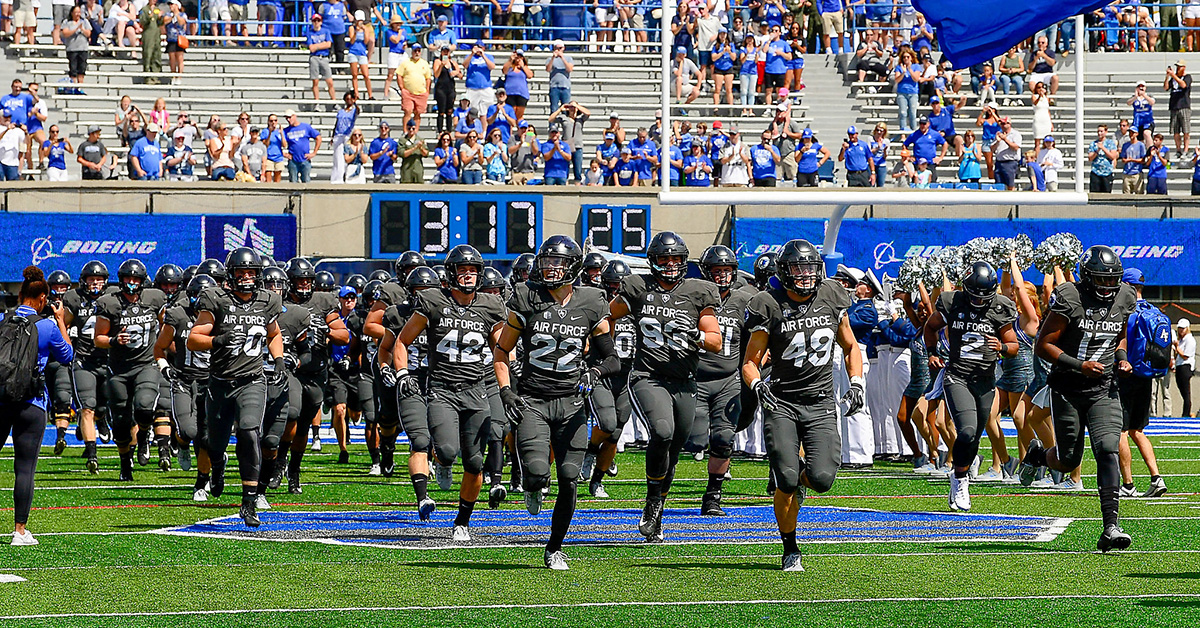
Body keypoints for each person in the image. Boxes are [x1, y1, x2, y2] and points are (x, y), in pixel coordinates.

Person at [492, 236, 614, 569]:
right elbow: (502, 350)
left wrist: (594, 372)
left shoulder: (591, 302)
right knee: (535, 473)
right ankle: (532, 486)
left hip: (571, 403)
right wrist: (505, 390)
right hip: (533, 400)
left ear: (573, 267)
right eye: (546, 262)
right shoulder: (527, 299)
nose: (550, 269)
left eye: (558, 264)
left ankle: (554, 547)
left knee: (570, 476)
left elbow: (612, 359)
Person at [742, 239, 863, 571]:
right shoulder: (769, 303)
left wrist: (856, 382)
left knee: (822, 479)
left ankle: (794, 479)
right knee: (786, 478)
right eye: (798, 268)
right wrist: (757, 384)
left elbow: (851, 346)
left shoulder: (832, 295)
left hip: (821, 401)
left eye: (811, 268)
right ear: (785, 271)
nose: (806, 275)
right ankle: (790, 546)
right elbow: (750, 361)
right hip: (782, 402)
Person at [608, 232, 722, 543]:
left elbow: (715, 340)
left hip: (684, 381)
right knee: (662, 431)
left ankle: (657, 506)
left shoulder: (699, 292)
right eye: (663, 259)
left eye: (675, 259)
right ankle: (652, 502)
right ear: (653, 261)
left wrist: (697, 337)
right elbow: (605, 317)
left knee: (674, 450)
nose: (670, 264)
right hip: (648, 375)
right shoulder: (637, 286)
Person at [389, 245, 508, 542]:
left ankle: (462, 521)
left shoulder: (491, 306)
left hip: (476, 389)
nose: (468, 276)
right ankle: (441, 464)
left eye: (473, 271)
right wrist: (402, 373)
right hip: (442, 389)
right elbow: (402, 340)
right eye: (462, 270)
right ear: (451, 273)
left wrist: (512, 371)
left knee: (475, 463)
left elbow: (503, 347)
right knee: (445, 450)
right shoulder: (433, 301)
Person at [1025, 246, 1137, 552]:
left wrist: (1123, 358)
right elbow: (1043, 344)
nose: (1106, 287)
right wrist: (1079, 366)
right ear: (1087, 278)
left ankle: (1111, 527)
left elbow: (1119, 335)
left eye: (1111, 280)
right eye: (1100, 281)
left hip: (1104, 388)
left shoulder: (1126, 296)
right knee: (1069, 460)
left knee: (1107, 449)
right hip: (1068, 388)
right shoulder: (1070, 297)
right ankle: (1038, 455)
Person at [187, 248, 285, 527]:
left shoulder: (267, 301)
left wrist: (277, 359)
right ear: (230, 275)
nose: (246, 278)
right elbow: (193, 339)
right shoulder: (216, 300)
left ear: (258, 275)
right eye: (240, 273)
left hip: (252, 380)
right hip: (220, 382)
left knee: (249, 432)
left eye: (251, 272)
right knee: (214, 443)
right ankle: (217, 466)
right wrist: (217, 341)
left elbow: (273, 333)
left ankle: (249, 501)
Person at [923, 262, 1018, 511]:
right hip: (958, 376)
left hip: (985, 381)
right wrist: (932, 352)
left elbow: (1014, 345)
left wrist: (1003, 348)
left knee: (974, 435)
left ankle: (960, 472)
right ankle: (960, 478)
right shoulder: (952, 302)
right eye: (974, 295)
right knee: (965, 431)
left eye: (983, 296)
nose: (978, 301)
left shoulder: (1000, 306)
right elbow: (930, 327)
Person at [1, 267, 74, 547]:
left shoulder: (2, 319)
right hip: (32, 402)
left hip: (1, 399)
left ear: (20, 294)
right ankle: (19, 531)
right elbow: (67, 356)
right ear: (43, 297)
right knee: (24, 468)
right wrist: (61, 321)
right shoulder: (46, 326)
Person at [1117, 268, 1169, 499]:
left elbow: (1121, 342)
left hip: (1125, 374)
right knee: (1138, 430)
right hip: (1146, 374)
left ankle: (1127, 484)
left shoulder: (1126, 311)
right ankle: (1156, 478)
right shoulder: (1154, 311)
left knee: (1120, 431)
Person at [549, 101, 590, 183]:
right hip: (566, 146)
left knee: (578, 169)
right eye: (570, 106)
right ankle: (565, 184)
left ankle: (577, 185)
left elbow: (588, 113)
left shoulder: (580, 119)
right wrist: (560, 109)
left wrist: (577, 106)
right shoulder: (564, 118)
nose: (572, 108)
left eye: (573, 107)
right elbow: (551, 119)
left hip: (578, 146)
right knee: (565, 167)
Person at [399, 43, 432, 131]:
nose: (417, 53)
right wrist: (402, 88)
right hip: (408, 92)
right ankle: (406, 131)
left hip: (421, 93)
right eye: (415, 51)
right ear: (412, 52)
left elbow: (428, 78)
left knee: (418, 113)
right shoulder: (406, 62)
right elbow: (399, 75)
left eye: (418, 51)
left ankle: (415, 132)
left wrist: (427, 90)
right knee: (408, 111)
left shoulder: (424, 63)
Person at [903, 116, 946, 182]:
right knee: (917, 183)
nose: (922, 126)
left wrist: (941, 157)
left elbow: (944, 143)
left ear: (928, 124)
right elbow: (905, 145)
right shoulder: (915, 135)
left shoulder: (934, 134)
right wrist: (908, 156)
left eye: (924, 124)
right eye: (921, 124)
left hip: (930, 163)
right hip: (918, 164)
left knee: (932, 182)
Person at [282, 109, 321, 183]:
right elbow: (280, 143)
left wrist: (314, 152)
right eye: (286, 118)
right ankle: (294, 194)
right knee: (293, 181)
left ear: (295, 116)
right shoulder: (286, 130)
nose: (288, 120)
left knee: (306, 181)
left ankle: (305, 194)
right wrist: (283, 153)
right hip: (293, 160)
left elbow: (318, 137)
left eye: (290, 117)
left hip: (305, 159)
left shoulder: (305, 127)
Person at [432, 44, 462, 135]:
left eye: (447, 51)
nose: (445, 53)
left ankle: (449, 131)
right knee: (441, 111)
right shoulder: (438, 61)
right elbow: (436, 74)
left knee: (449, 111)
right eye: (443, 51)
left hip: (450, 89)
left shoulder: (453, 62)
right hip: (441, 89)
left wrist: (456, 72)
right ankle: (440, 131)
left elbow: (460, 75)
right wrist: (441, 65)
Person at [1165, 60, 1192, 160]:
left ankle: (1185, 150)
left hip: (1184, 106)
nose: (1178, 69)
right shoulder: (1173, 78)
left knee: (1186, 131)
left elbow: (1183, 85)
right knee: (1176, 131)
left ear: (1184, 67)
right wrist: (1167, 76)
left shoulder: (1187, 77)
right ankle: (1178, 150)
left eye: (1180, 67)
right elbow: (1166, 87)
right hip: (1174, 107)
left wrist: (1174, 76)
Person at [331, 91, 360, 183]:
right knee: (337, 157)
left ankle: (345, 176)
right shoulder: (341, 111)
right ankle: (337, 178)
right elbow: (337, 124)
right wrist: (332, 136)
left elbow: (358, 111)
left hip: (347, 135)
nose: (348, 101)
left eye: (350, 99)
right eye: (347, 99)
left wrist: (355, 102)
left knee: (346, 156)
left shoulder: (354, 111)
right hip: (338, 135)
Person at [306, 14, 336, 102]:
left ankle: (334, 101)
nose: (316, 23)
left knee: (330, 81)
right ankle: (317, 101)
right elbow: (311, 48)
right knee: (315, 82)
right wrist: (322, 45)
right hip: (314, 57)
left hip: (324, 57)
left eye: (318, 21)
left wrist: (317, 46)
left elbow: (329, 44)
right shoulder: (310, 33)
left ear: (321, 22)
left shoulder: (326, 31)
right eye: (314, 21)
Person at [382, 15, 410, 101]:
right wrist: (400, 33)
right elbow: (395, 40)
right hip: (394, 54)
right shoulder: (389, 32)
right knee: (390, 74)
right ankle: (386, 94)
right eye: (396, 23)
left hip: (402, 53)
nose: (398, 25)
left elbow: (404, 41)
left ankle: (404, 92)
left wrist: (405, 45)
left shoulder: (403, 32)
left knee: (404, 74)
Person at [138, 0, 167, 84]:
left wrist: (161, 18)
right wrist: (149, 17)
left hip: (156, 35)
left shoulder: (157, 9)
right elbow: (142, 22)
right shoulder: (144, 9)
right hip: (148, 34)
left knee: (156, 54)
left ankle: (155, 75)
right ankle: (147, 76)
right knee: (148, 55)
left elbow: (160, 23)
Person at [62, 5, 92, 87]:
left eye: (79, 12)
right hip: (72, 49)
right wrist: (75, 29)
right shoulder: (66, 22)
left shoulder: (85, 21)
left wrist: (82, 29)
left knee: (82, 68)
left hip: (83, 48)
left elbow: (89, 33)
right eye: (76, 12)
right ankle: (73, 86)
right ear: (72, 13)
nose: (77, 14)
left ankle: (80, 86)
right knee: (73, 68)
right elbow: (65, 33)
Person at [347, 11, 374, 100]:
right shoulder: (352, 28)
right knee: (354, 74)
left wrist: (365, 30)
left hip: (362, 53)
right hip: (353, 52)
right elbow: (352, 41)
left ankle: (370, 94)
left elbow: (366, 41)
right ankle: (356, 94)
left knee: (366, 75)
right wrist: (356, 32)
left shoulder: (366, 28)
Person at [502, 49, 533, 121]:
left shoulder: (524, 68)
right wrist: (510, 60)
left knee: (519, 113)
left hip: (522, 93)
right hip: (510, 93)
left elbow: (530, 75)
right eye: (517, 56)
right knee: (511, 112)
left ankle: (519, 128)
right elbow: (504, 71)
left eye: (520, 56)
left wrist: (523, 66)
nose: (518, 58)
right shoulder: (510, 67)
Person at [991, 117, 1022, 190]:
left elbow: (1016, 147)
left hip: (1010, 162)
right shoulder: (998, 134)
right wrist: (998, 141)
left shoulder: (1015, 134)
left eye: (1005, 123)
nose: (1003, 125)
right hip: (999, 162)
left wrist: (1005, 139)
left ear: (1009, 124)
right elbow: (992, 149)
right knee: (998, 185)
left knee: (1010, 185)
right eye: (1002, 123)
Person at [893, 49, 921, 132]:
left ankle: (914, 131)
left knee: (912, 113)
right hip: (902, 93)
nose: (906, 59)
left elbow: (916, 79)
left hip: (913, 93)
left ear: (911, 58)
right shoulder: (899, 67)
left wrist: (910, 70)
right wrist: (903, 72)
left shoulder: (916, 66)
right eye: (904, 57)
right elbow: (897, 80)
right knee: (903, 113)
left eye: (908, 57)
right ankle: (903, 132)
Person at [1089, 124, 1119, 193]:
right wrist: (1097, 150)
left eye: (1101, 131)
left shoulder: (1110, 143)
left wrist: (1103, 148)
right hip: (1096, 172)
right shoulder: (1093, 144)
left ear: (1106, 132)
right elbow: (1090, 158)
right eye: (1098, 131)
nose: (1099, 133)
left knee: (1106, 194)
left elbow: (1112, 156)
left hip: (1107, 173)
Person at [546, 40, 574, 113]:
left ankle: (565, 124)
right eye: (556, 48)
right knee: (554, 108)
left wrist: (562, 58)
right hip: (554, 86)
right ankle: (552, 124)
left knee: (566, 109)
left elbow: (569, 69)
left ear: (563, 48)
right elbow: (548, 69)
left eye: (560, 48)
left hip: (565, 86)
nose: (558, 50)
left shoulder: (568, 58)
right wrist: (553, 58)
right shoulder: (549, 59)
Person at [397, 119, 427, 184]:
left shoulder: (420, 139)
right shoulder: (402, 140)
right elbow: (403, 153)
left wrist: (421, 148)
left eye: (413, 128)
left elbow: (426, 154)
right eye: (409, 128)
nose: (411, 130)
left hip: (417, 168)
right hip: (407, 169)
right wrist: (415, 148)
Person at [1175, 318, 1195, 417]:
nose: (1181, 330)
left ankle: (1186, 413)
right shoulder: (1181, 340)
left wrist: (1176, 347)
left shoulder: (1190, 339)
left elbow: (1185, 355)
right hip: (1179, 366)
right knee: (1182, 390)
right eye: (1179, 328)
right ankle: (1186, 412)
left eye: (1183, 328)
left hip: (1185, 366)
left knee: (1186, 392)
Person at [1119, 127, 1147, 194]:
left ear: (1136, 134)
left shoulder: (1141, 145)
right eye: (1130, 133)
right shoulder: (1125, 145)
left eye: (1133, 133)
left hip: (1137, 172)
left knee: (1139, 193)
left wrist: (1133, 160)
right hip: (1127, 172)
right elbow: (1123, 158)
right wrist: (1126, 160)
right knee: (1126, 193)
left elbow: (1143, 159)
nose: (1131, 134)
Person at [260, 114, 286, 183]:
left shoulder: (280, 132)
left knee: (277, 180)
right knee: (268, 179)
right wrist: (270, 133)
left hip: (278, 157)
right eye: (271, 121)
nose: (273, 122)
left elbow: (285, 145)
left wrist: (282, 134)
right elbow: (265, 145)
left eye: (275, 120)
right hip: (269, 157)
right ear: (268, 122)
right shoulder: (265, 131)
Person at [1129, 80, 1156, 146]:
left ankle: (1151, 151)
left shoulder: (1149, 96)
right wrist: (1135, 97)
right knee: (1139, 138)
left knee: (1147, 133)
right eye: (1139, 86)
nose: (1141, 88)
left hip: (1147, 120)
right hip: (1137, 121)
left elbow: (1152, 102)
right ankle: (1142, 152)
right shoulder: (1134, 97)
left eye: (1142, 86)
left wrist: (1144, 95)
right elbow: (1128, 103)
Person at [0, 113, 25, 181]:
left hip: (12, 162)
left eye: (9, 117)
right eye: (5, 117)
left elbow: (25, 144)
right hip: (0, 161)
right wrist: (6, 130)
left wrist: (26, 132)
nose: (7, 119)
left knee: (13, 185)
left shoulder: (18, 131)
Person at [164, 0, 187, 79]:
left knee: (180, 58)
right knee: (172, 59)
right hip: (171, 39)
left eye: (172, 4)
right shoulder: (168, 14)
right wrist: (172, 17)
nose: (171, 6)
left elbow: (182, 23)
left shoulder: (183, 15)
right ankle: (173, 75)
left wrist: (177, 15)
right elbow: (165, 21)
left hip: (179, 39)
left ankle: (179, 76)